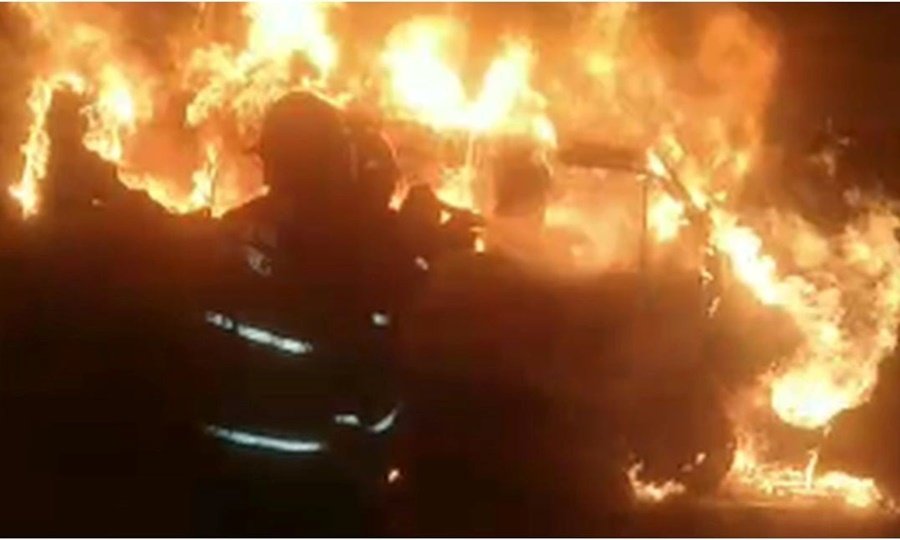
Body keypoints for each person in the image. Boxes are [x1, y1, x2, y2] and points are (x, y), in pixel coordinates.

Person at [194, 91, 414, 535]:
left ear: (271, 164)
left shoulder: (229, 230)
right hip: (304, 483)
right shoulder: (347, 251)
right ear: (337, 162)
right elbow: (373, 392)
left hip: (218, 470)